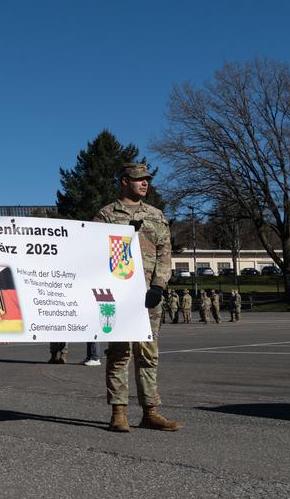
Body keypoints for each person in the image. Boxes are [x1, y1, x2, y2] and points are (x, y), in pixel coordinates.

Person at [94, 162, 180, 432]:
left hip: (149, 296)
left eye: (147, 180)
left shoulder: (156, 215)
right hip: (119, 296)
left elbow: (165, 253)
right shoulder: (106, 215)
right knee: (119, 353)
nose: (145, 183)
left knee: (148, 354)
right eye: (138, 179)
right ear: (123, 181)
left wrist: (158, 286)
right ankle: (118, 412)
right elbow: (92, 253)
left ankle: (150, 410)